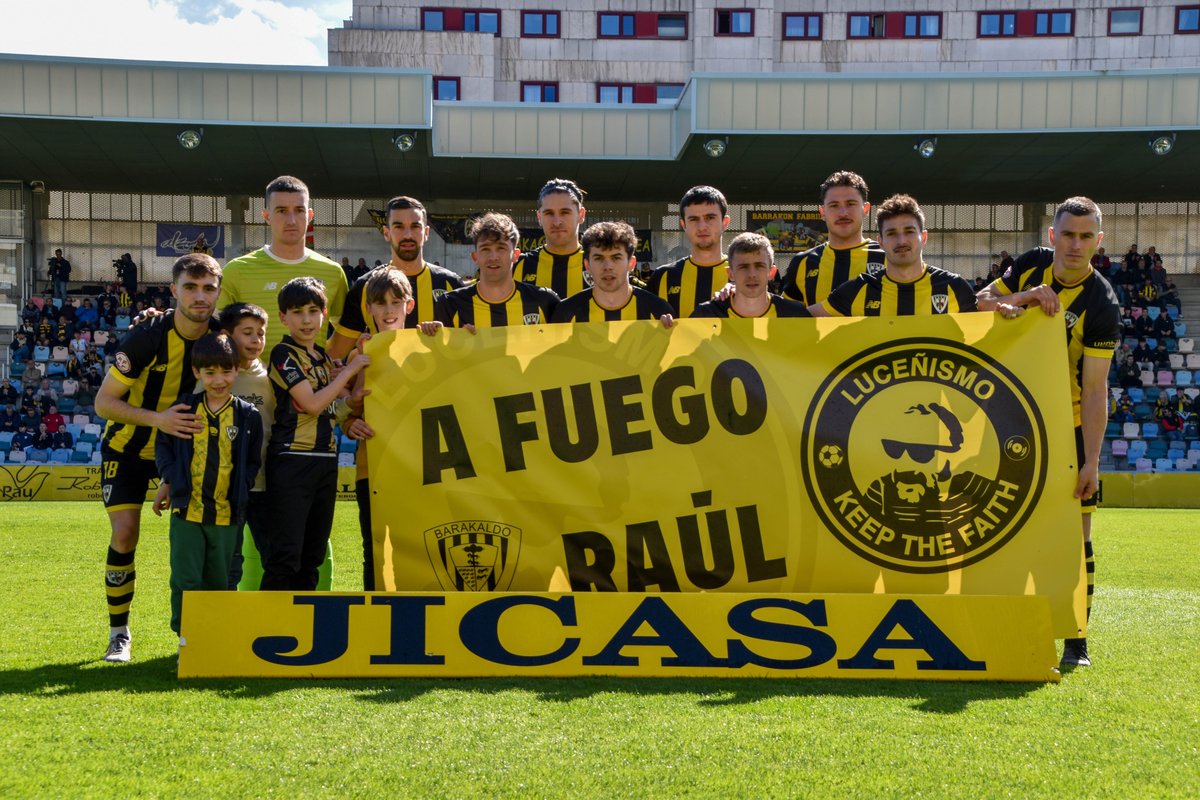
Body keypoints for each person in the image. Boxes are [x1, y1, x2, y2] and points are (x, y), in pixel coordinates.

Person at [977, 196, 1120, 669]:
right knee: (993, 527)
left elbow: (1096, 388)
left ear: (1098, 242)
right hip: (1005, 423)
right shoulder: (1031, 265)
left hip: (1069, 429)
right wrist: (1020, 299)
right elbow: (980, 303)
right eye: (1068, 234)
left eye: (1086, 237)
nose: (1075, 245)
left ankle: (1076, 640)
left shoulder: (1102, 303)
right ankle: (996, 627)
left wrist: (1092, 461)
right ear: (1052, 236)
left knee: (1076, 535)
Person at [94, 253, 223, 663]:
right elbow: (103, 403)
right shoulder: (146, 336)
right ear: (173, 291)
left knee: (197, 543)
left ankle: (201, 633)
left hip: (184, 452)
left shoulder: (220, 337)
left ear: (218, 291)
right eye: (190, 287)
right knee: (126, 533)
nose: (200, 296)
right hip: (128, 448)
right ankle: (119, 634)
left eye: (208, 288)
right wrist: (159, 420)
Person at [152, 333, 262, 638]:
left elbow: (253, 461)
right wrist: (169, 480)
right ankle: (186, 638)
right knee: (185, 580)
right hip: (187, 512)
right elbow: (165, 447)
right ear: (196, 373)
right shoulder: (184, 409)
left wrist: (243, 484)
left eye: (226, 371)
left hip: (227, 516)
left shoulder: (247, 415)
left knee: (218, 582)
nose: (218, 380)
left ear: (237, 370)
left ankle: (213, 641)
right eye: (210, 372)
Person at [262, 277, 369, 591]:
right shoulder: (283, 354)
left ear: (324, 313)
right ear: (283, 317)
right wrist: (348, 372)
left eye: (313, 310)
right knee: (285, 557)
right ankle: (270, 630)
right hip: (291, 462)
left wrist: (351, 400)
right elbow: (310, 404)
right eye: (297, 312)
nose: (306, 320)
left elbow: (332, 408)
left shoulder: (323, 359)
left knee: (312, 558)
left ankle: (300, 631)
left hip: (325, 463)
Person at [219, 175, 349, 357]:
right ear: (266, 216)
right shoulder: (236, 271)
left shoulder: (333, 272)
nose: (291, 220)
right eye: (281, 211)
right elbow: (218, 334)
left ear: (309, 215)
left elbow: (347, 330)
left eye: (299, 210)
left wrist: (326, 361)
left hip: (315, 386)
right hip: (252, 384)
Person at [328, 195, 464, 359]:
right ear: (386, 233)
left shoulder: (451, 283)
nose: (407, 234)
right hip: (382, 384)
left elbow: (471, 345)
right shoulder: (365, 286)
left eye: (415, 226)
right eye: (398, 227)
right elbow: (335, 353)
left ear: (426, 232)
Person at [811, 194, 991, 318]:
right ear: (880, 241)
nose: (901, 240)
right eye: (891, 233)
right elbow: (801, 318)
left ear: (924, 237)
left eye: (909, 231)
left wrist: (1010, 314)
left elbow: (987, 333)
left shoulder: (954, 287)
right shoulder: (859, 290)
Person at [219, 303, 274, 591]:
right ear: (228, 335)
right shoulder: (215, 378)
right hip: (227, 488)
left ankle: (272, 622)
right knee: (229, 563)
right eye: (248, 333)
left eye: (261, 333)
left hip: (266, 485)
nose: (256, 340)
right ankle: (225, 629)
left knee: (275, 560)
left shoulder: (272, 378)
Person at [781, 171, 885, 307]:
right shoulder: (803, 262)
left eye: (850, 204)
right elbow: (788, 318)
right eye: (834, 205)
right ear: (823, 212)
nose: (843, 213)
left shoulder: (888, 257)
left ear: (865, 209)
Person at [436, 213, 559, 328]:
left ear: (516, 255)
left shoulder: (544, 300)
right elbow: (439, 349)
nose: (493, 257)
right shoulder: (451, 304)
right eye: (485, 249)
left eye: (501, 248)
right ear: (475, 257)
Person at [551, 221, 675, 323]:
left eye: (616, 258)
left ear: (631, 263)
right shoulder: (565, 312)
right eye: (599, 258)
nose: (608, 266)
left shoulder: (659, 311)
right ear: (587, 265)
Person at [647, 186, 730, 319]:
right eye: (694, 219)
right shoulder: (662, 276)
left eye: (710, 217)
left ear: (725, 222)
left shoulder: (746, 275)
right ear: (683, 224)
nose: (702, 226)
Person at [694, 232, 810, 318]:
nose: (752, 274)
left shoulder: (795, 314)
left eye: (759, 266)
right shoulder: (706, 315)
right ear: (731, 274)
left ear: (772, 272)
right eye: (743, 267)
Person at [515, 178, 589, 299]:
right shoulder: (518, 266)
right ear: (539, 217)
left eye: (565, 212)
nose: (557, 222)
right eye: (549, 213)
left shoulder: (600, 265)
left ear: (581, 215)